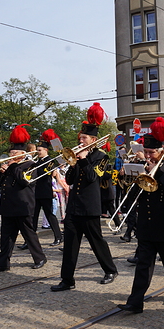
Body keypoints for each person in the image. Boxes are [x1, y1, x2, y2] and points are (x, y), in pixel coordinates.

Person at [118, 118, 164, 314]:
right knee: (143, 265)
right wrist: (126, 176)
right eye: (146, 152)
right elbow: (130, 196)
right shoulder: (140, 167)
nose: (148, 156)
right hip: (145, 224)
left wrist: (155, 172)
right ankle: (135, 301)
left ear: (161, 151)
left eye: (151, 152)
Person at [51, 102, 118, 291]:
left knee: (97, 241)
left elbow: (92, 177)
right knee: (71, 244)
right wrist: (73, 164)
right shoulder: (77, 156)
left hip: (90, 207)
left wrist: (84, 158)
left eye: (84, 138)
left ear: (93, 139)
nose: (80, 141)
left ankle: (110, 269)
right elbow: (71, 180)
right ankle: (67, 280)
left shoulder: (101, 156)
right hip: (74, 206)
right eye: (80, 138)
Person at [0, 125, 47, 273]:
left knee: (29, 234)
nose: (11, 155)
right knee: (6, 237)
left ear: (22, 153)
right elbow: (2, 185)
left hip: (23, 206)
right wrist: (2, 173)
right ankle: (2, 263)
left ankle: (40, 258)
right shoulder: (11, 167)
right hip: (8, 206)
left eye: (14, 153)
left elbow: (24, 181)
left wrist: (12, 167)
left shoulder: (30, 165)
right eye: (11, 153)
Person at [32, 130, 63, 246]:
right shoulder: (37, 161)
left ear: (46, 150)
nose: (37, 152)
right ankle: (30, 240)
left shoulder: (50, 161)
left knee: (50, 215)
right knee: (33, 217)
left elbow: (43, 174)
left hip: (45, 192)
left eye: (39, 150)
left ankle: (58, 237)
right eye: (37, 150)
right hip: (36, 192)